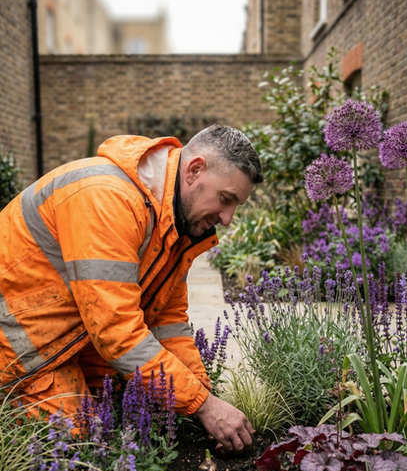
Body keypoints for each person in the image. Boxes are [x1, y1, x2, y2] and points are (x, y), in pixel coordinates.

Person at [0, 125, 263, 454]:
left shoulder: (172, 223)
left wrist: (202, 396)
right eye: (225, 200)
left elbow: (168, 321)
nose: (227, 218)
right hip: (20, 354)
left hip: (72, 341)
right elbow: (117, 330)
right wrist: (204, 407)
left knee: (126, 425)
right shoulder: (107, 199)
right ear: (195, 170)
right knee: (77, 457)